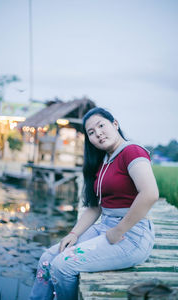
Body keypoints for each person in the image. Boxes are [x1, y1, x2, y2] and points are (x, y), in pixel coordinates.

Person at [29, 107, 159, 300]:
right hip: (104, 227)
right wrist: (74, 234)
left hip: (131, 235)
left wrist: (119, 230)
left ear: (114, 124)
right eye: (91, 132)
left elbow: (150, 193)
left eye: (101, 125)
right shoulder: (103, 160)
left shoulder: (132, 151)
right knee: (48, 259)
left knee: (62, 266)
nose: (98, 133)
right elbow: (95, 207)